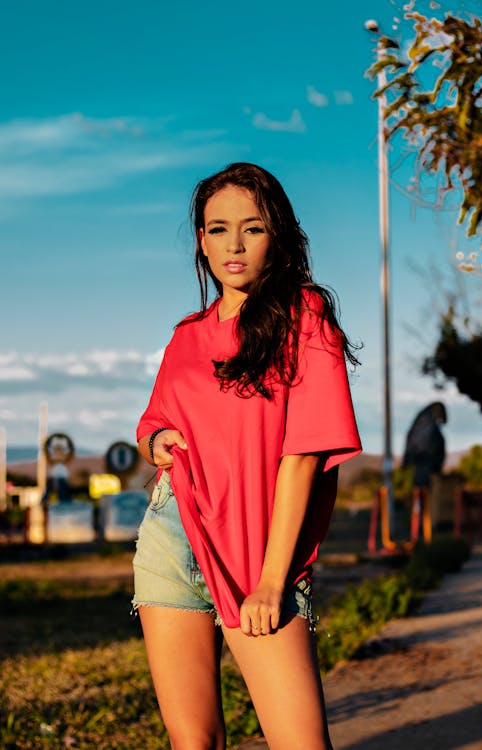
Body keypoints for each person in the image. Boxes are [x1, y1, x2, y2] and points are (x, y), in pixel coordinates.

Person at [133, 162, 362, 750]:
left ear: (277, 235)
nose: (233, 244)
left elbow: (305, 456)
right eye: (216, 229)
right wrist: (155, 440)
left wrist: (270, 581)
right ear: (201, 239)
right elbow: (155, 421)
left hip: (257, 551)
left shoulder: (304, 317)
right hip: (171, 535)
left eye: (252, 228)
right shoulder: (188, 334)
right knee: (193, 741)